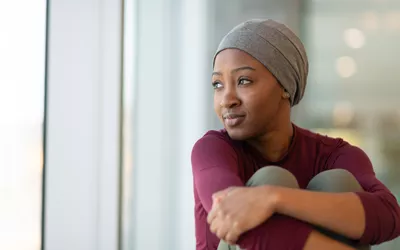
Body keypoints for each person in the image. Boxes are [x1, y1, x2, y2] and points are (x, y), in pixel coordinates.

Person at [191, 19, 400, 250]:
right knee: (271, 178)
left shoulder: (335, 154)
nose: (227, 100)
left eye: (243, 81)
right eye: (217, 85)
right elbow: (230, 215)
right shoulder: (211, 149)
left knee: (336, 181)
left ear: (285, 86)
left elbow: (389, 215)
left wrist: (274, 198)